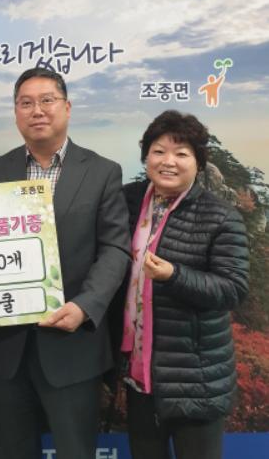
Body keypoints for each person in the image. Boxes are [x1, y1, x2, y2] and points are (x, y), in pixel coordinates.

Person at [0, 67, 131, 459]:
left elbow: (115, 249)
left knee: (76, 451)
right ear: (15, 113)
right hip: (7, 348)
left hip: (72, 345)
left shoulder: (102, 172)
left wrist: (85, 306)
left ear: (67, 107)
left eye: (47, 100)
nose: (37, 110)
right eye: (26, 103)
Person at [120, 110, 249, 459]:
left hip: (196, 378)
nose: (168, 162)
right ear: (146, 156)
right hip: (140, 373)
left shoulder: (220, 216)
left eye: (181, 153)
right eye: (158, 151)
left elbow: (233, 288)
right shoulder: (128, 201)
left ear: (198, 162)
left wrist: (174, 276)